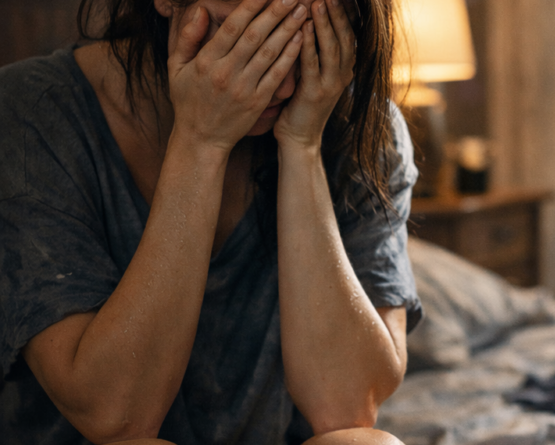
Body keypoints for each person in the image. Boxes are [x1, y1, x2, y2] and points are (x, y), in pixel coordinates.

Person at [0, 0, 422, 443]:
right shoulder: (30, 111)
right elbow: (115, 416)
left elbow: (347, 408)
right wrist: (200, 141)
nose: (279, 83)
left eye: (308, 38)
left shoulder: (358, 123)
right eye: (245, 34)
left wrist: (302, 145)